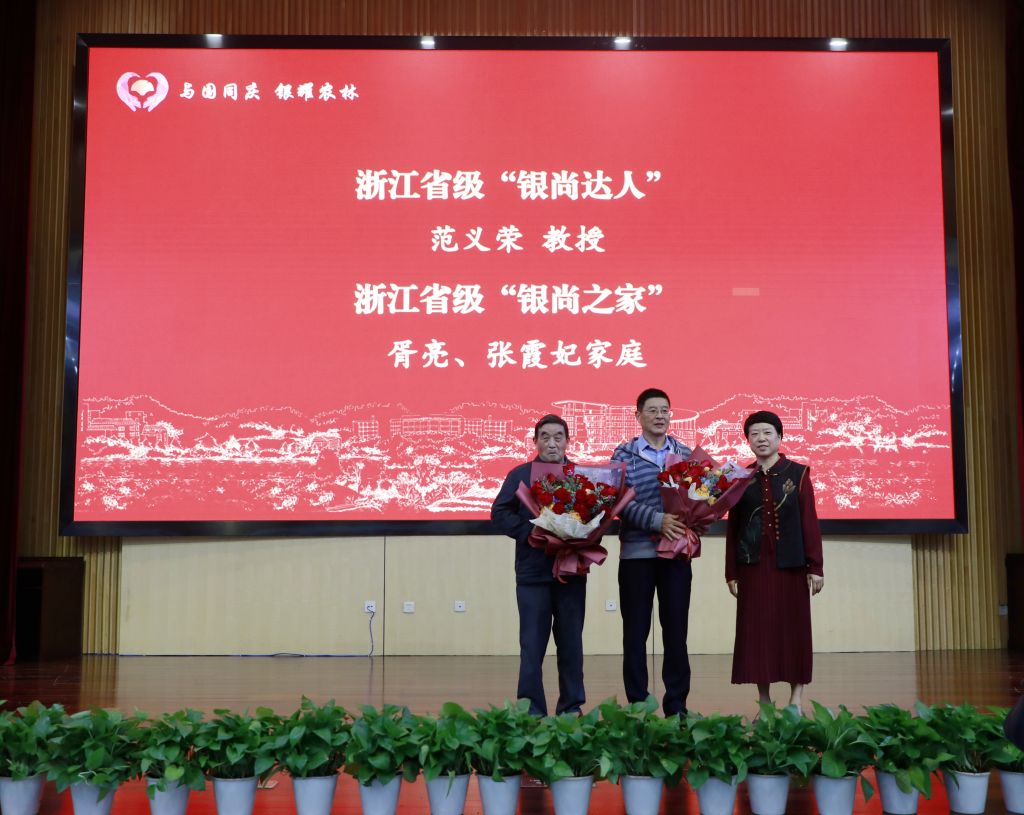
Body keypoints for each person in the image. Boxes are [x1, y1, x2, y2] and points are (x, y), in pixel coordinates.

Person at [725, 410, 824, 711]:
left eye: (767, 432)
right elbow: (734, 528)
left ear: (779, 437)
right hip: (753, 567)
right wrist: (731, 572)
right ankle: (765, 703)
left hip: (792, 566)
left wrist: (815, 567)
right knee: (758, 634)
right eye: (754, 434)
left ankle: (796, 701)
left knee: (794, 631)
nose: (761, 438)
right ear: (748, 440)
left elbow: (809, 522)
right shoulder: (740, 478)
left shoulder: (799, 473)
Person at [491, 414, 585, 716]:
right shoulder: (520, 475)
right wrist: (529, 532)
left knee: (571, 644)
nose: (552, 443)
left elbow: (599, 514)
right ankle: (531, 710)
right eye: (545, 437)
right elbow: (499, 512)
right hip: (533, 573)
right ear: (535, 441)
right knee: (532, 646)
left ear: (567, 441)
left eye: (558, 436)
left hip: (571, 572)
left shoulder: (580, 476)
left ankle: (571, 707)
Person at [611, 388, 693, 716]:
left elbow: (699, 498)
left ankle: (677, 706)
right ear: (638, 416)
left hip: (676, 555)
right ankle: (638, 705)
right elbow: (618, 500)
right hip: (637, 555)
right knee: (635, 632)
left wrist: (694, 520)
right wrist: (657, 521)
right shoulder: (624, 454)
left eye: (664, 410)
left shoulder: (685, 453)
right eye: (652, 410)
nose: (660, 416)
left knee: (676, 632)